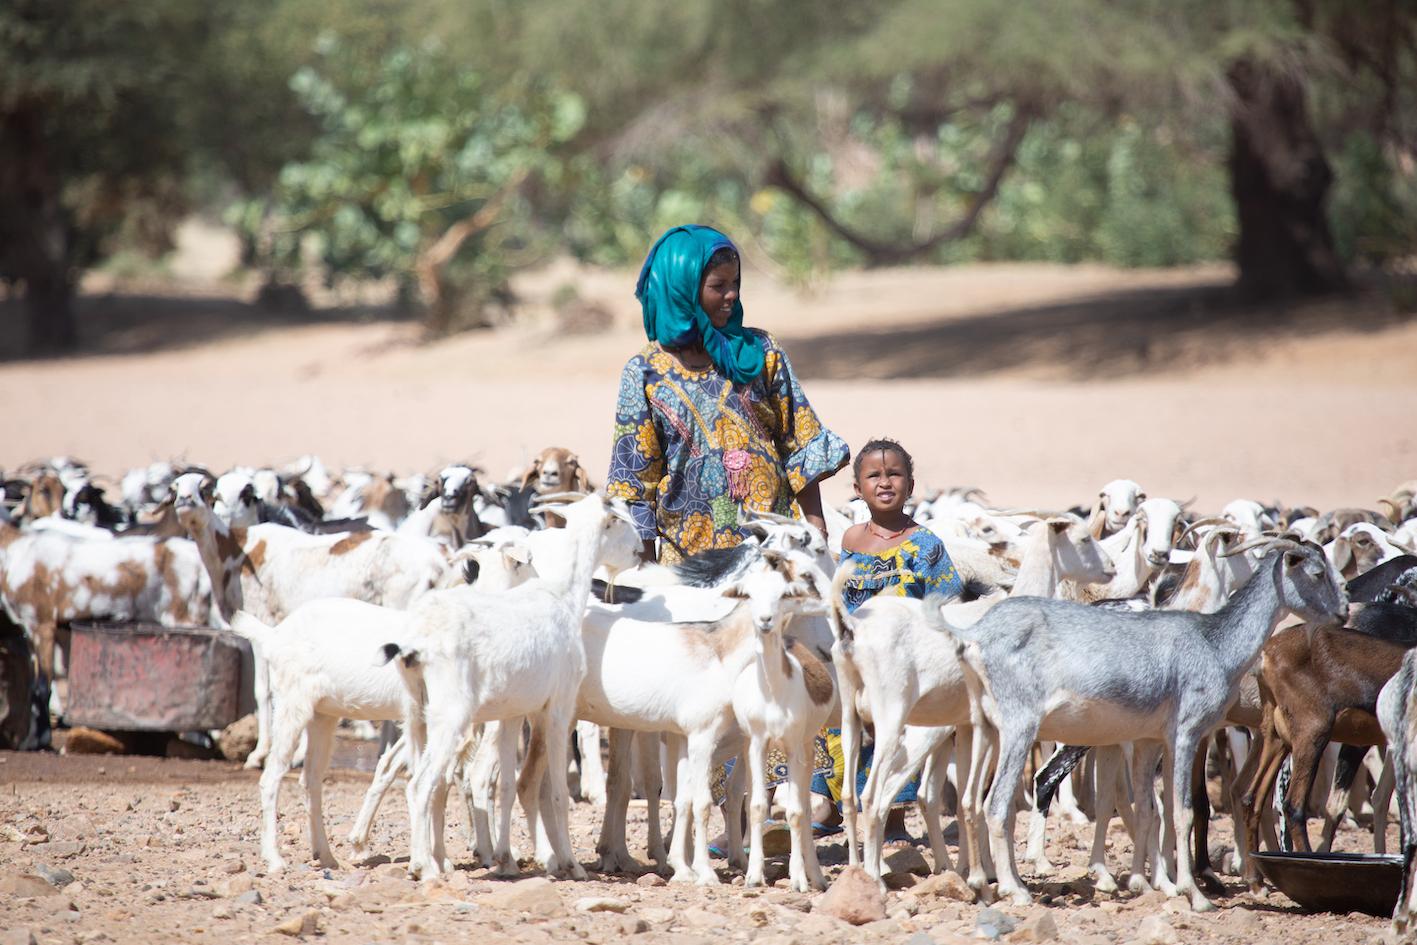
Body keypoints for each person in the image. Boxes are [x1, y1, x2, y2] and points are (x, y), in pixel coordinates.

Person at [606, 224, 848, 562]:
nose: (731, 295)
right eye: (718, 286)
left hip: (773, 550)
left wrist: (816, 528)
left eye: (735, 283)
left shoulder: (762, 351)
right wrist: (647, 568)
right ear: (681, 291)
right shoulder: (645, 372)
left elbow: (800, 442)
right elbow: (635, 481)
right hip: (691, 559)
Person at [811, 437, 964, 845]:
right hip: (858, 653)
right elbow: (842, 596)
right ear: (857, 489)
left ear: (910, 486)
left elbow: (947, 603)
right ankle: (829, 808)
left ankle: (893, 822)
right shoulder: (850, 542)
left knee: (891, 733)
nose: (884, 482)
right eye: (873, 475)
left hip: (904, 661)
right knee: (838, 726)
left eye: (894, 474)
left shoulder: (926, 545)